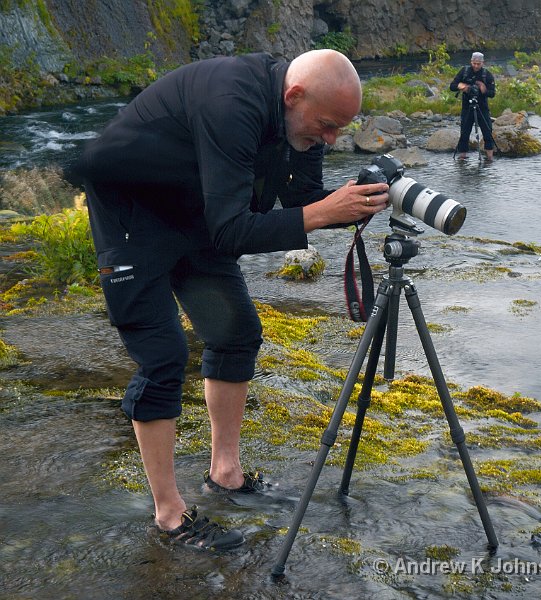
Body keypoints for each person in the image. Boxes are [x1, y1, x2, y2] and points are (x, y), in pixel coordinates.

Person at [73, 49, 389, 549]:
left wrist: (355, 202)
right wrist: (321, 214)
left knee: (236, 334)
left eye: (339, 130)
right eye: (327, 126)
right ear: (293, 95)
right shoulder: (231, 101)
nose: (330, 139)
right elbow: (234, 231)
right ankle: (169, 514)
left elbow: (301, 200)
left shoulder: (303, 118)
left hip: (196, 210)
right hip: (132, 216)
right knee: (163, 357)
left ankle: (225, 472)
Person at [449, 51, 496, 161]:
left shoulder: (487, 75)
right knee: (464, 133)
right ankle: (462, 157)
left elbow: (492, 93)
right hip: (467, 106)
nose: (476, 66)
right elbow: (452, 86)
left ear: (482, 63)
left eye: (478, 64)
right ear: (471, 61)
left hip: (482, 107)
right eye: (474, 63)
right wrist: (463, 87)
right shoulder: (464, 72)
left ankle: (489, 158)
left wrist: (483, 90)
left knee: (487, 132)